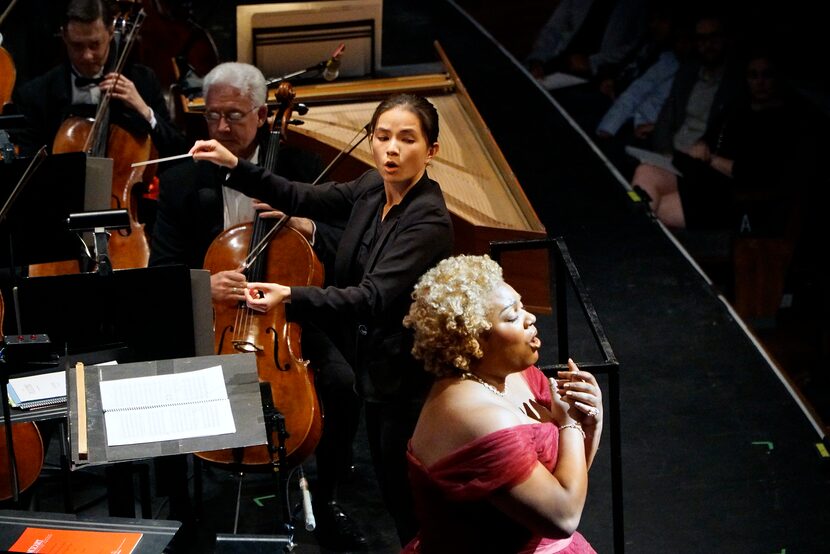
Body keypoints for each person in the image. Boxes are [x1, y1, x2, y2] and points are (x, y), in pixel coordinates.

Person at [188, 92, 454, 547]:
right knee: (393, 488)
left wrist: (289, 294)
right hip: (370, 361)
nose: (392, 148)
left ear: (431, 151)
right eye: (383, 136)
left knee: (405, 495)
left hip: (405, 376)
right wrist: (235, 164)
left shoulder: (427, 220)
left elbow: (370, 297)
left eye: (407, 140)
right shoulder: (373, 188)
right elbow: (299, 195)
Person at [149, 61, 367, 550]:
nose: (222, 128)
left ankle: (329, 498)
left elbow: (350, 247)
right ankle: (181, 515)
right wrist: (203, 285)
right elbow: (162, 268)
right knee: (160, 386)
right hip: (214, 319)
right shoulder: (185, 180)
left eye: (234, 115)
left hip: (290, 318)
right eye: (212, 116)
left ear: (264, 115)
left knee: (342, 384)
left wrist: (307, 227)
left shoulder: (303, 171)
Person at [401, 254, 602, 553]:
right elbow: (563, 516)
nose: (530, 318)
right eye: (511, 316)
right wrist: (570, 424)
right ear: (474, 340)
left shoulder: (517, 375)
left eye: (522, 306)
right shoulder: (477, 417)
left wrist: (591, 423)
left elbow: (567, 477)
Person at [632, 51, 807, 232]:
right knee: (644, 173)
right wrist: (701, 145)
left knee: (658, 208)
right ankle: (634, 222)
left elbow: (759, 173)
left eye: (767, 75)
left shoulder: (788, 121)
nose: (760, 82)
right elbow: (709, 139)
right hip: (705, 180)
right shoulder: (738, 108)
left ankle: (638, 236)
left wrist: (711, 159)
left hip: (738, 197)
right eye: (753, 75)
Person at [11, 0, 186, 158]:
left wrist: (144, 111)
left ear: (110, 32)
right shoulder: (35, 94)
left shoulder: (142, 80)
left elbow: (177, 151)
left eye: (95, 45)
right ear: (64, 36)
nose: (87, 56)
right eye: (77, 46)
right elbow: (27, 164)